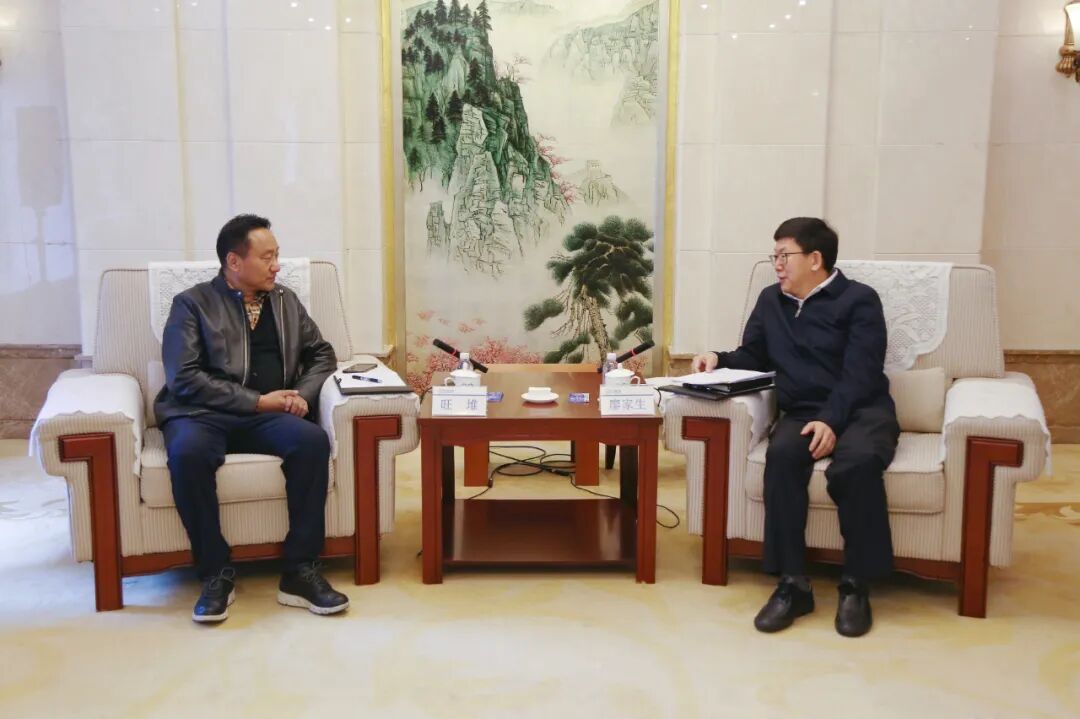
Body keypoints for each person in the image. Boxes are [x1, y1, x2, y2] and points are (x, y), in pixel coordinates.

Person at [691, 217, 898, 637]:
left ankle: (855, 585)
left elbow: (861, 373)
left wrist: (831, 420)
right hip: (804, 411)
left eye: (784, 255)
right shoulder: (772, 301)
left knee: (855, 465)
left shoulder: (859, 300)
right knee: (782, 457)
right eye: (774, 256)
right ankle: (792, 584)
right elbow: (754, 355)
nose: (777, 264)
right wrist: (718, 358)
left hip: (862, 409)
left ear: (815, 259)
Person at [155, 213, 348, 623]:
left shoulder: (285, 301)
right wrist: (259, 401)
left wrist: (301, 396)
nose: (276, 266)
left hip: (267, 413)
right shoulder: (191, 304)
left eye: (277, 255)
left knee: (311, 442)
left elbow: (321, 354)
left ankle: (299, 570)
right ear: (234, 261)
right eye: (267, 257)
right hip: (201, 414)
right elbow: (183, 377)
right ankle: (215, 572)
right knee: (188, 454)